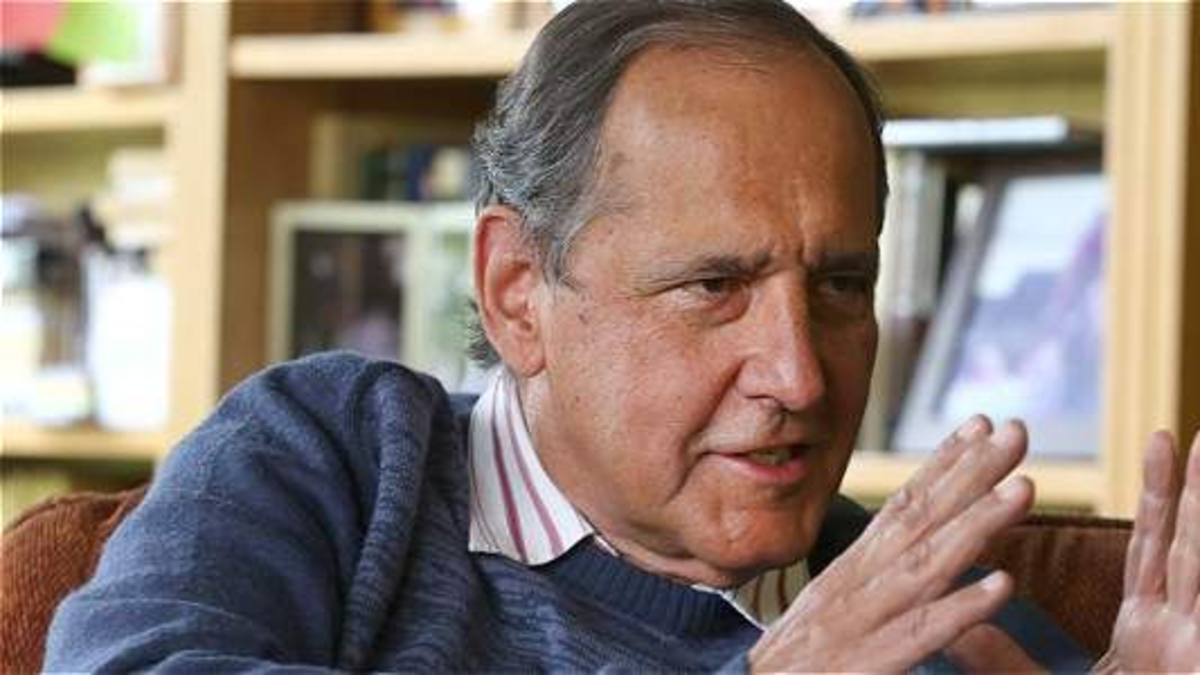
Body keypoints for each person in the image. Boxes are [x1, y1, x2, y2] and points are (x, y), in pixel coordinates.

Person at [45, 1, 1200, 672]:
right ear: (517, 292)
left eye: (841, 284)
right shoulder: (336, 459)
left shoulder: (926, 605)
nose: (800, 375)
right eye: (714, 285)